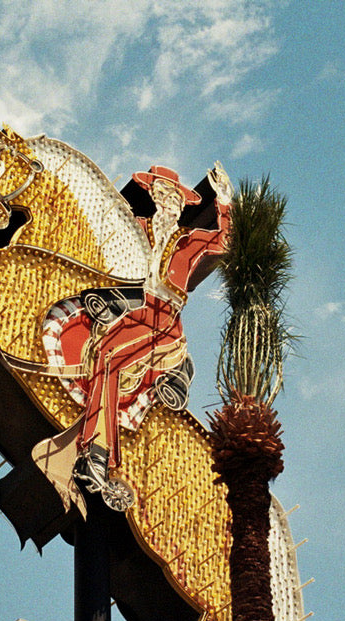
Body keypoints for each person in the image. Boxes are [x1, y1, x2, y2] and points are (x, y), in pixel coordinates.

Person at [67, 164, 233, 509]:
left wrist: (224, 202)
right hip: (134, 310)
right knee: (95, 347)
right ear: (154, 196)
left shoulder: (190, 241)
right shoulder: (137, 229)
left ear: (182, 205)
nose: (169, 202)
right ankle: (93, 437)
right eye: (162, 194)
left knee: (111, 359)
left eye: (175, 198)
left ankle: (98, 454)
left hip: (165, 319)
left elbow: (225, 241)